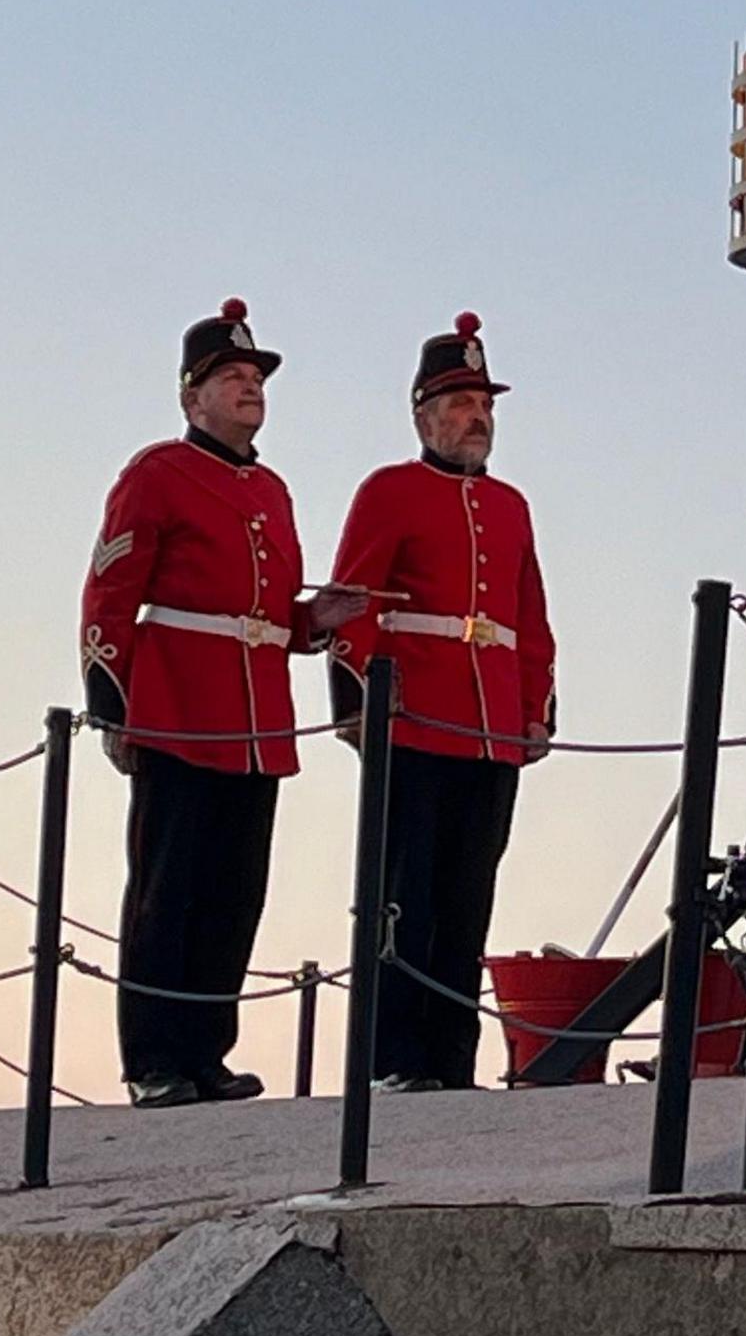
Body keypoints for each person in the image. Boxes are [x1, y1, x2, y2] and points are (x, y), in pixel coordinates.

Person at [80, 298, 368, 1106]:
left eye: (255, 378)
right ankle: (154, 1062)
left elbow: (272, 617)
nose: (250, 389)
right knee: (167, 891)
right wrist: (112, 702)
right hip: (176, 708)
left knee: (235, 892)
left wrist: (318, 621)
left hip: (258, 723)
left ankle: (206, 1052)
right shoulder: (156, 473)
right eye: (232, 378)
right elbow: (110, 588)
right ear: (191, 398)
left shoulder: (273, 490)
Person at [327, 311, 557, 1093]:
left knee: (468, 900)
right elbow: (352, 598)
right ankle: (394, 1059)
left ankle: (450, 1062)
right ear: (423, 415)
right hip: (416, 715)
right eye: (459, 403)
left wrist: (535, 709)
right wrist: (358, 698)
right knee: (405, 899)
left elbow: (529, 616)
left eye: (484, 402)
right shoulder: (390, 490)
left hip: (490, 725)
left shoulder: (512, 506)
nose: (477, 416)